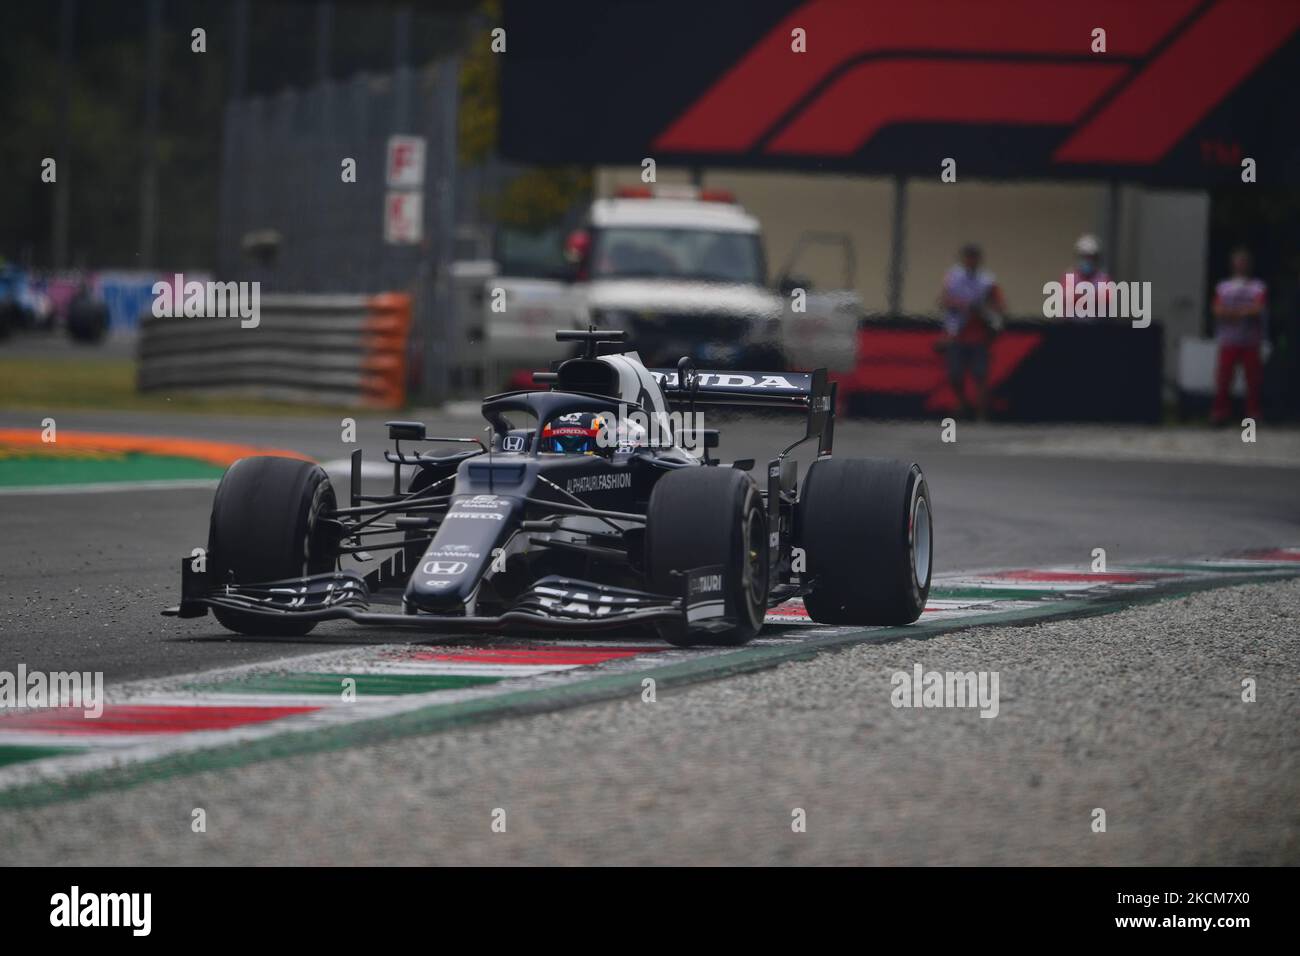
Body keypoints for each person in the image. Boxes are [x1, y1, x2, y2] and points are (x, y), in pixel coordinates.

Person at [938, 243, 1006, 419]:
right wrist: (962, 305)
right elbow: (943, 301)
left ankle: (981, 413)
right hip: (957, 332)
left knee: (980, 374)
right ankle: (962, 402)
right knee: (954, 374)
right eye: (968, 257)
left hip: (979, 334)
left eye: (974, 257)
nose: (971, 261)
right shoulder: (953, 277)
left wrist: (984, 310)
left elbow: (999, 305)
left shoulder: (987, 280)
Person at [1210, 247, 1267, 425]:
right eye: (1238, 261)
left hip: (1251, 340)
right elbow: (1217, 309)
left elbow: (1259, 308)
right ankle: (1220, 413)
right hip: (1229, 339)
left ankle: (1253, 414)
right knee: (1224, 378)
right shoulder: (1224, 287)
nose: (1241, 265)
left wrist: (1233, 314)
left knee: (1253, 379)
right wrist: (1243, 313)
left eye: (1244, 262)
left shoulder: (1258, 287)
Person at [1060, 233, 1113, 320]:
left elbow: (1106, 300)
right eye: (1084, 257)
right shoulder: (1069, 277)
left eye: (1091, 258)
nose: (1088, 261)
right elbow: (1066, 298)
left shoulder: (1103, 278)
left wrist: (1081, 296)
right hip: (1071, 326)